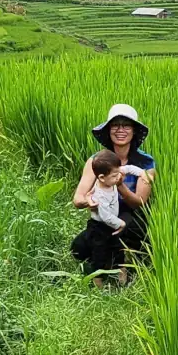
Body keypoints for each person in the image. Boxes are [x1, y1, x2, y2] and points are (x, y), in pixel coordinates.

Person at [70, 103, 156, 274]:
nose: (120, 130)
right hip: (103, 215)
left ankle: (122, 261)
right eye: (115, 125)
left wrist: (120, 185)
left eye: (126, 125)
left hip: (131, 217)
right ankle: (107, 259)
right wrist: (88, 201)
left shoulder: (145, 163)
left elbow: (139, 202)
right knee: (78, 249)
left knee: (124, 231)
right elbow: (78, 199)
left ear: (134, 131)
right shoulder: (97, 161)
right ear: (109, 130)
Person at [69, 150, 143, 274]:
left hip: (113, 222)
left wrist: (143, 173)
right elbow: (105, 217)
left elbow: (128, 169)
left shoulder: (112, 175)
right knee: (99, 251)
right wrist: (121, 223)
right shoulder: (99, 196)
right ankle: (97, 277)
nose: (119, 177)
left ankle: (120, 270)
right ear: (102, 178)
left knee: (117, 247)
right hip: (100, 226)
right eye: (115, 176)